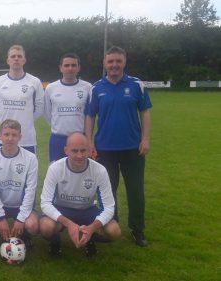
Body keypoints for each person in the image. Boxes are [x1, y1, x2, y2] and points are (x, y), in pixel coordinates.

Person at [85, 46, 152, 247]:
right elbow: (89, 116)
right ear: (105, 64)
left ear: (124, 62)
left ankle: (137, 230)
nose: (114, 65)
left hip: (133, 148)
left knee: (136, 191)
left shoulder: (136, 85)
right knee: (107, 191)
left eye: (118, 61)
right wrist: (89, 142)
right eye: (110, 61)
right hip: (105, 149)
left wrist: (146, 139)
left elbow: (145, 113)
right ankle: (110, 225)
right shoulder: (96, 88)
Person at [40, 132, 121, 259]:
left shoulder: (99, 170)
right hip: (63, 209)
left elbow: (110, 207)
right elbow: (45, 203)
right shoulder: (55, 168)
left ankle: (89, 238)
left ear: (89, 150)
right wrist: (69, 224)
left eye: (83, 150)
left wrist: (92, 227)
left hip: (87, 210)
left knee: (114, 231)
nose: (79, 155)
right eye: (74, 151)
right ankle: (55, 242)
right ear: (66, 150)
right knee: (46, 227)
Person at [0, 119, 39, 248]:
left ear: (20, 137)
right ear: (0, 136)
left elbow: (31, 191)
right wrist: (1, 219)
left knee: (33, 226)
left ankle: (25, 234)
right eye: (6, 134)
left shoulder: (30, 158)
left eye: (14, 135)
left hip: (21, 205)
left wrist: (21, 219)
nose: (10, 138)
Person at [0, 45, 44, 154]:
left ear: (24, 60)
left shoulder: (35, 82)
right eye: (13, 56)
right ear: (8, 60)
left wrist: (27, 119)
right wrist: (6, 122)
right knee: (1, 170)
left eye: (19, 56)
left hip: (27, 140)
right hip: (3, 139)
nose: (16, 58)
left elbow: (40, 108)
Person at [44, 53, 92, 162]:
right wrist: (58, 126)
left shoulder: (88, 87)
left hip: (80, 138)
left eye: (73, 65)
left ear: (79, 68)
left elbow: (90, 115)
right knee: (57, 172)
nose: (70, 68)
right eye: (66, 65)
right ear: (60, 68)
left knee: (80, 172)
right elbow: (47, 113)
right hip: (58, 139)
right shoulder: (51, 88)